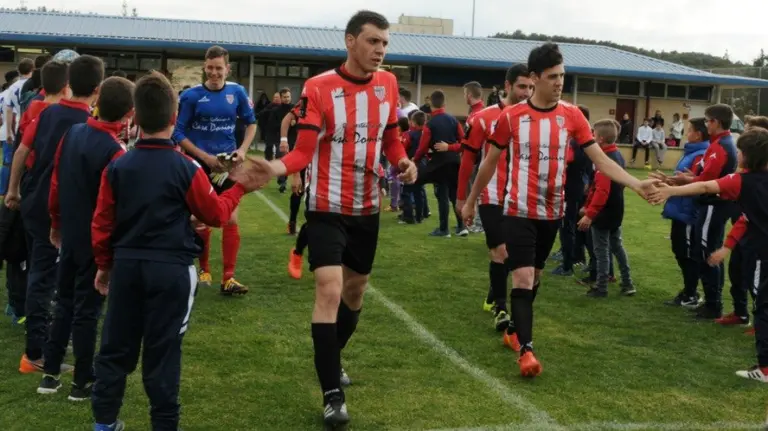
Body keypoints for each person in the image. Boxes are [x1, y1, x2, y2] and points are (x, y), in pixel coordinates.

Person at [245, 10, 417, 426]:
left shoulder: (388, 85)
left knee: (354, 294)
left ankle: (330, 357)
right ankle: (332, 394)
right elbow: (304, 152)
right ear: (350, 41)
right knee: (328, 288)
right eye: (373, 41)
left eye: (384, 43)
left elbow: (391, 139)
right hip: (325, 206)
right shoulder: (319, 87)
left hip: (366, 208)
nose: (380, 50)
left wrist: (404, 162)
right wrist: (274, 168)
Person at [462, 42, 655, 377]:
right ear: (534, 78)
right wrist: (470, 200)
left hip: (551, 213)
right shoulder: (511, 117)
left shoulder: (572, 115)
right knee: (521, 277)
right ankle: (527, 350)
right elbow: (488, 164)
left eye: (562, 76)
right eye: (552, 76)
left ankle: (514, 332)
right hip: (517, 211)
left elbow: (600, 159)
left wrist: (636, 184)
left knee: (534, 278)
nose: (559, 82)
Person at [89, 71, 263, 431]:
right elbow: (214, 214)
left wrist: (105, 266)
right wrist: (239, 188)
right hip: (170, 270)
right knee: (163, 353)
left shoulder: (119, 165)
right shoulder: (187, 168)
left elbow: (102, 223)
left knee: (115, 348)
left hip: (128, 265)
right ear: (173, 118)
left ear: (135, 117)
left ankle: (105, 423)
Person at [38, 76, 135, 400]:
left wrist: (55, 221)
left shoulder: (74, 133)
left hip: (70, 234)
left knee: (63, 301)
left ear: (98, 101)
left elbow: (55, 181)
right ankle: (82, 380)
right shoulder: (116, 153)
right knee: (87, 310)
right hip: (95, 241)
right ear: (129, 114)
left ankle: (50, 373)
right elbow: (114, 209)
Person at [648, 127, 768, 382]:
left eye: (740, 152)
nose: (737, 155)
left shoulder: (740, 181)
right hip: (756, 251)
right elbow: (745, 218)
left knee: (764, 306)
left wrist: (670, 190)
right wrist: (727, 246)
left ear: (748, 155)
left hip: (762, 255)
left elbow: (705, 185)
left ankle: (765, 368)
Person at [8, 56, 103, 374]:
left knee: (47, 273)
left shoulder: (47, 113)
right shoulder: (87, 123)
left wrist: (13, 190)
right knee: (49, 275)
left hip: (35, 202)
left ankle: (51, 339)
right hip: (60, 208)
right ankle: (35, 353)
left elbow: (22, 149)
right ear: (97, 89)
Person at [173, 45, 257, 295]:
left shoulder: (237, 92)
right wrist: (204, 157)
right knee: (201, 219)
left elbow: (251, 123)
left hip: (228, 165)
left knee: (231, 218)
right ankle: (204, 269)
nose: (214, 72)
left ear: (227, 69)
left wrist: (241, 151)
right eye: (210, 67)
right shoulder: (191, 96)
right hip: (199, 165)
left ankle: (228, 279)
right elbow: (178, 133)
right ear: (204, 67)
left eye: (219, 68)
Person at [456, 64, 533, 333]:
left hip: (522, 197)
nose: (526, 92)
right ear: (507, 86)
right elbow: (468, 158)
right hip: (491, 195)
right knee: (499, 252)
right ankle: (501, 309)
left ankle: (494, 289)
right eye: (522, 86)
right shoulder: (484, 118)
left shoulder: (534, 118)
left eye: (531, 87)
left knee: (513, 256)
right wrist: (462, 198)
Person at [651, 104, 737, 319]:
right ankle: (711, 302)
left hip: (712, 205)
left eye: (708, 121)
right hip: (709, 204)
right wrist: (682, 179)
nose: (706, 125)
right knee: (705, 251)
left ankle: (712, 304)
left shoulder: (720, 147)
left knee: (706, 252)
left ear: (715, 122)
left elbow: (708, 181)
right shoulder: (718, 144)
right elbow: (702, 177)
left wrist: (682, 182)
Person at [576, 119, 635, 297]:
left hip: (604, 213)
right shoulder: (618, 155)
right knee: (617, 247)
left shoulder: (605, 161)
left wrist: (589, 214)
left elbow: (602, 191)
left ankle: (601, 287)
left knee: (601, 251)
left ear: (599, 139)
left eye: (593, 135)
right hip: (617, 210)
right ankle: (628, 283)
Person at [660, 118, 710, 308]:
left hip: (688, 211)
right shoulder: (692, 152)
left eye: (689, 130)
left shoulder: (701, 154)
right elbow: (684, 179)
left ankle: (691, 293)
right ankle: (689, 291)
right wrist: (668, 180)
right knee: (679, 250)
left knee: (687, 253)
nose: (686, 133)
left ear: (697, 134)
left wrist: (677, 182)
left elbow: (696, 182)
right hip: (679, 209)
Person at [413, 90, 467, 237]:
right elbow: (464, 142)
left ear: (430, 103)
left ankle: (444, 229)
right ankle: (462, 226)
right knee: (454, 195)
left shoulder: (430, 124)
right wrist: (452, 148)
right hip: (455, 161)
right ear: (444, 103)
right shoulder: (453, 120)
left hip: (439, 163)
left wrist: (415, 160)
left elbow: (423, 147)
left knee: (441, 194)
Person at [2, 58, 35, 145]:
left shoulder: (12, 87)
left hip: (19, 124)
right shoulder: (34, 84)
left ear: (19, 71)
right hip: (33, 123)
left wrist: (8, 132)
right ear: (33, 69)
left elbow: (9, 110)